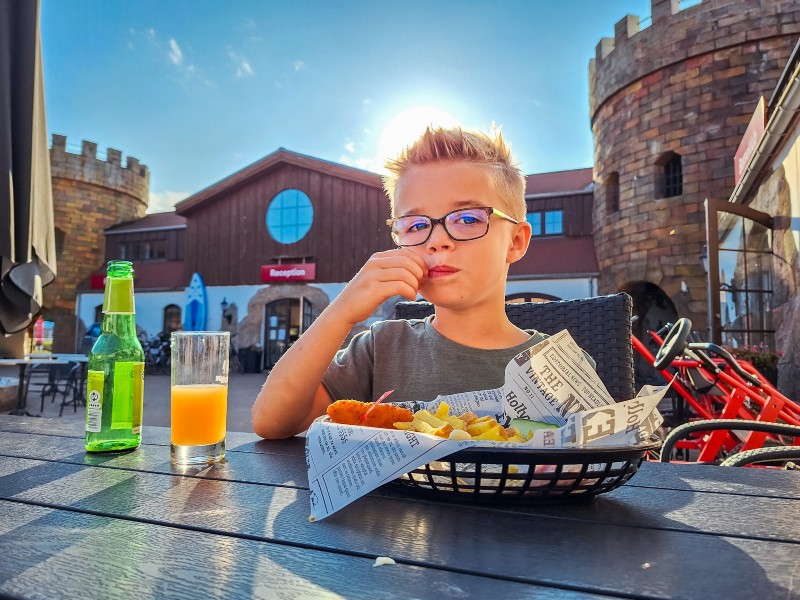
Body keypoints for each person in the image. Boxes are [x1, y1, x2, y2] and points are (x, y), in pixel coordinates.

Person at [252, 126, 536, 439]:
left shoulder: (556, 365)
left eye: (467, 219)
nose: (437, 241)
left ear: (515, 242)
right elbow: (272, 422)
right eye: (415, 225)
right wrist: (342, 310)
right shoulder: (381, 348)